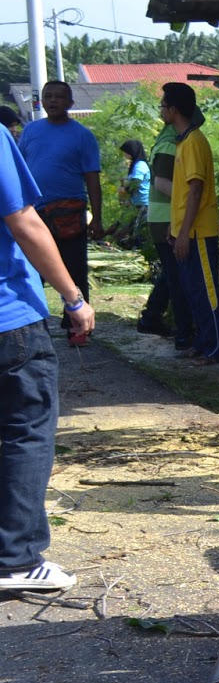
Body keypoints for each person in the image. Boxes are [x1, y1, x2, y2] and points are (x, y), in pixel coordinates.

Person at [0, 127, 96, 594]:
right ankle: (15, 560)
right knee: (27, 432)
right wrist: (74, 297)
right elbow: (24, 220)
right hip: (8, 317)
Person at [18, 81, 103, 324]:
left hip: (70, 212)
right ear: (42, 101)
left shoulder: (83, 136)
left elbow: (92, 180)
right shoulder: (30, 131)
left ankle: (77, 326)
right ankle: (31, 323)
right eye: (49, 96)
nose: (53, 101)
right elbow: (20, 170)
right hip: (34, 213)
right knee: (32, 270)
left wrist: (97, 218)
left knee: (74, 269)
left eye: (59, 97)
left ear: (71, 103)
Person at [160, 83, 219, 365]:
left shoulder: (194, 142)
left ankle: (217, 348)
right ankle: (203, 343)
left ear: (173, 110)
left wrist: (185, 232)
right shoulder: (183, 141)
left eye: (162, 106)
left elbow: (196, 190)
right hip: (186, 230)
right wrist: (174, 228)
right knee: (194, 291)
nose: (161, 110)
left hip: (198, 231)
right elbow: (182, 192)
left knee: (206, 291)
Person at [137, 109, 195, 344]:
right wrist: (191, 201)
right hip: (166, 220)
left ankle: (151, 318)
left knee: (172, 275)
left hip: (165, 218)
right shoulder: (170, 143)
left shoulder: (170, 140)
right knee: (178, 279)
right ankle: (184, 335)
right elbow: (162, 183)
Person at [115, 139, 151, 245]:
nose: (125, 154)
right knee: (128, 225)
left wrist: (125, 190)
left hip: (142, 203)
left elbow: (136, 182)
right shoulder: (135, 164)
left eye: (126, 151)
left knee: (137, 229)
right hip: (136, 202)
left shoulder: (140, 165)